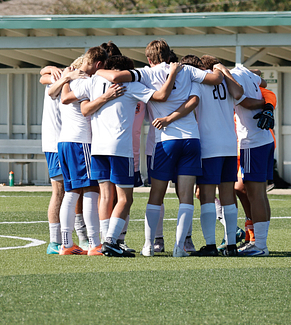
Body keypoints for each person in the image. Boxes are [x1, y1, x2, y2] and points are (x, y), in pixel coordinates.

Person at [97, 39, 223, 257]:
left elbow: (117, 77)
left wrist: (97, 71)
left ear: (149, 58)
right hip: (191, 139)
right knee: (186, 197)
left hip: (165, 141)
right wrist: (219, 68)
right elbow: (215, 80)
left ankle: (149, 246)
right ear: (168, 55)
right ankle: (180, 247)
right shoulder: (187, 70)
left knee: (156, 195)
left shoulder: (146, 73)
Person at [72, 54, 179, 257]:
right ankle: (111, 241)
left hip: (98, 148)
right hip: (120, 148)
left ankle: (104, 242)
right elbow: (161, 96)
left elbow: (73, 100)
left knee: (105, 196)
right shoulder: (129, 85)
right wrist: (172, 73)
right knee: (125, 199)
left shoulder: (93, 81)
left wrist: (69, 76)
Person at [154, 55, 243, 257]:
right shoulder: (226, 82)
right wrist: (223, 70)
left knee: (206, 196)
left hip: (209, 145)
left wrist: (168, 118)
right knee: (228, 196)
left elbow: (191, 103)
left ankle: (210, 245)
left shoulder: (197, 82)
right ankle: (231, 245)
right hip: (230, 144)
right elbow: (239, 93)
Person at [54, 47, 110, 256]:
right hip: (81, 143)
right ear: (98, 64)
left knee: (71, 193)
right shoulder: (86, 81)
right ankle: (94, 243)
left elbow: (58, 94)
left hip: (64, 141)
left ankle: (67, 244)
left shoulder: (69, 80)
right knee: (91, 191)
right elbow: (73, 102)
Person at [39, 64, 85, 254]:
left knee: (75, 190)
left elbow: (43, 74)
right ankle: (55, 242)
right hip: (56, 144)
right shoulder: (63, 80)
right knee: (59, 192)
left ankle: (80, 239)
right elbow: (45, 80)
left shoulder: (60, 77)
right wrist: (63, 75)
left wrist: (50, 69)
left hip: (64, 143)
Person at [230, 64, 274, 256]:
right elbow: (263, 83)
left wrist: (264, 104)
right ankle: (258, 241)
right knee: (259, 194)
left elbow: (242, 99)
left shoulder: (232, 76)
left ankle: (260, 245)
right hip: (264, 139)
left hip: (251, 142)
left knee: (255, 194)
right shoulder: (247, 74)